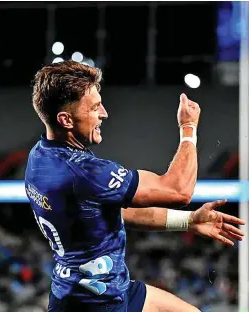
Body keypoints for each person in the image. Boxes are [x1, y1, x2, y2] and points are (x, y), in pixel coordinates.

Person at [24, 60, 245, 312]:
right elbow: (178, 190)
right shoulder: (84, 172)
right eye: (95, 107)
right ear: (65, 119)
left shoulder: (39, 156)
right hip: (95, 302)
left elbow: (114, 212)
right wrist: (188, 129)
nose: (104, 113)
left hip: (97, 286)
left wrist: (188, 222)